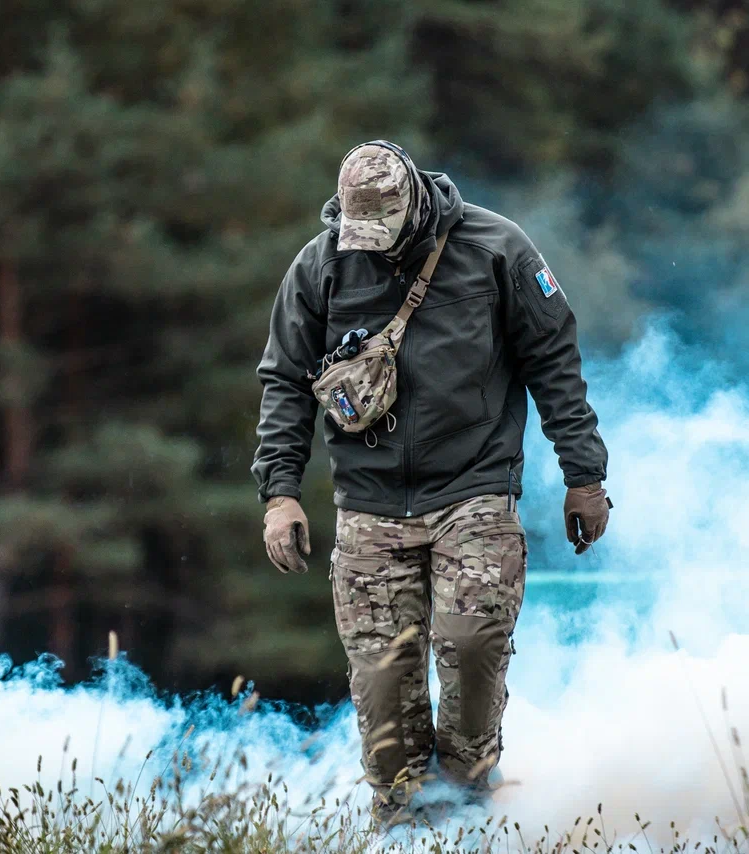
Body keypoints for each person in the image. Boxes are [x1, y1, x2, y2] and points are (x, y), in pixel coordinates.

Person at [251, 140, 611, 822]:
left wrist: (583, 475)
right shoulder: (321, 265)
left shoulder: (497, 249)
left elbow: (554, 360)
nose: (375, 249)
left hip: (473, 487)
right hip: (368, 503)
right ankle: (404, 821)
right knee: (383, 689)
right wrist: (280, 493)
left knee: (473, 644)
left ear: (415, 203)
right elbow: (284, 381)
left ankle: (468, 799)